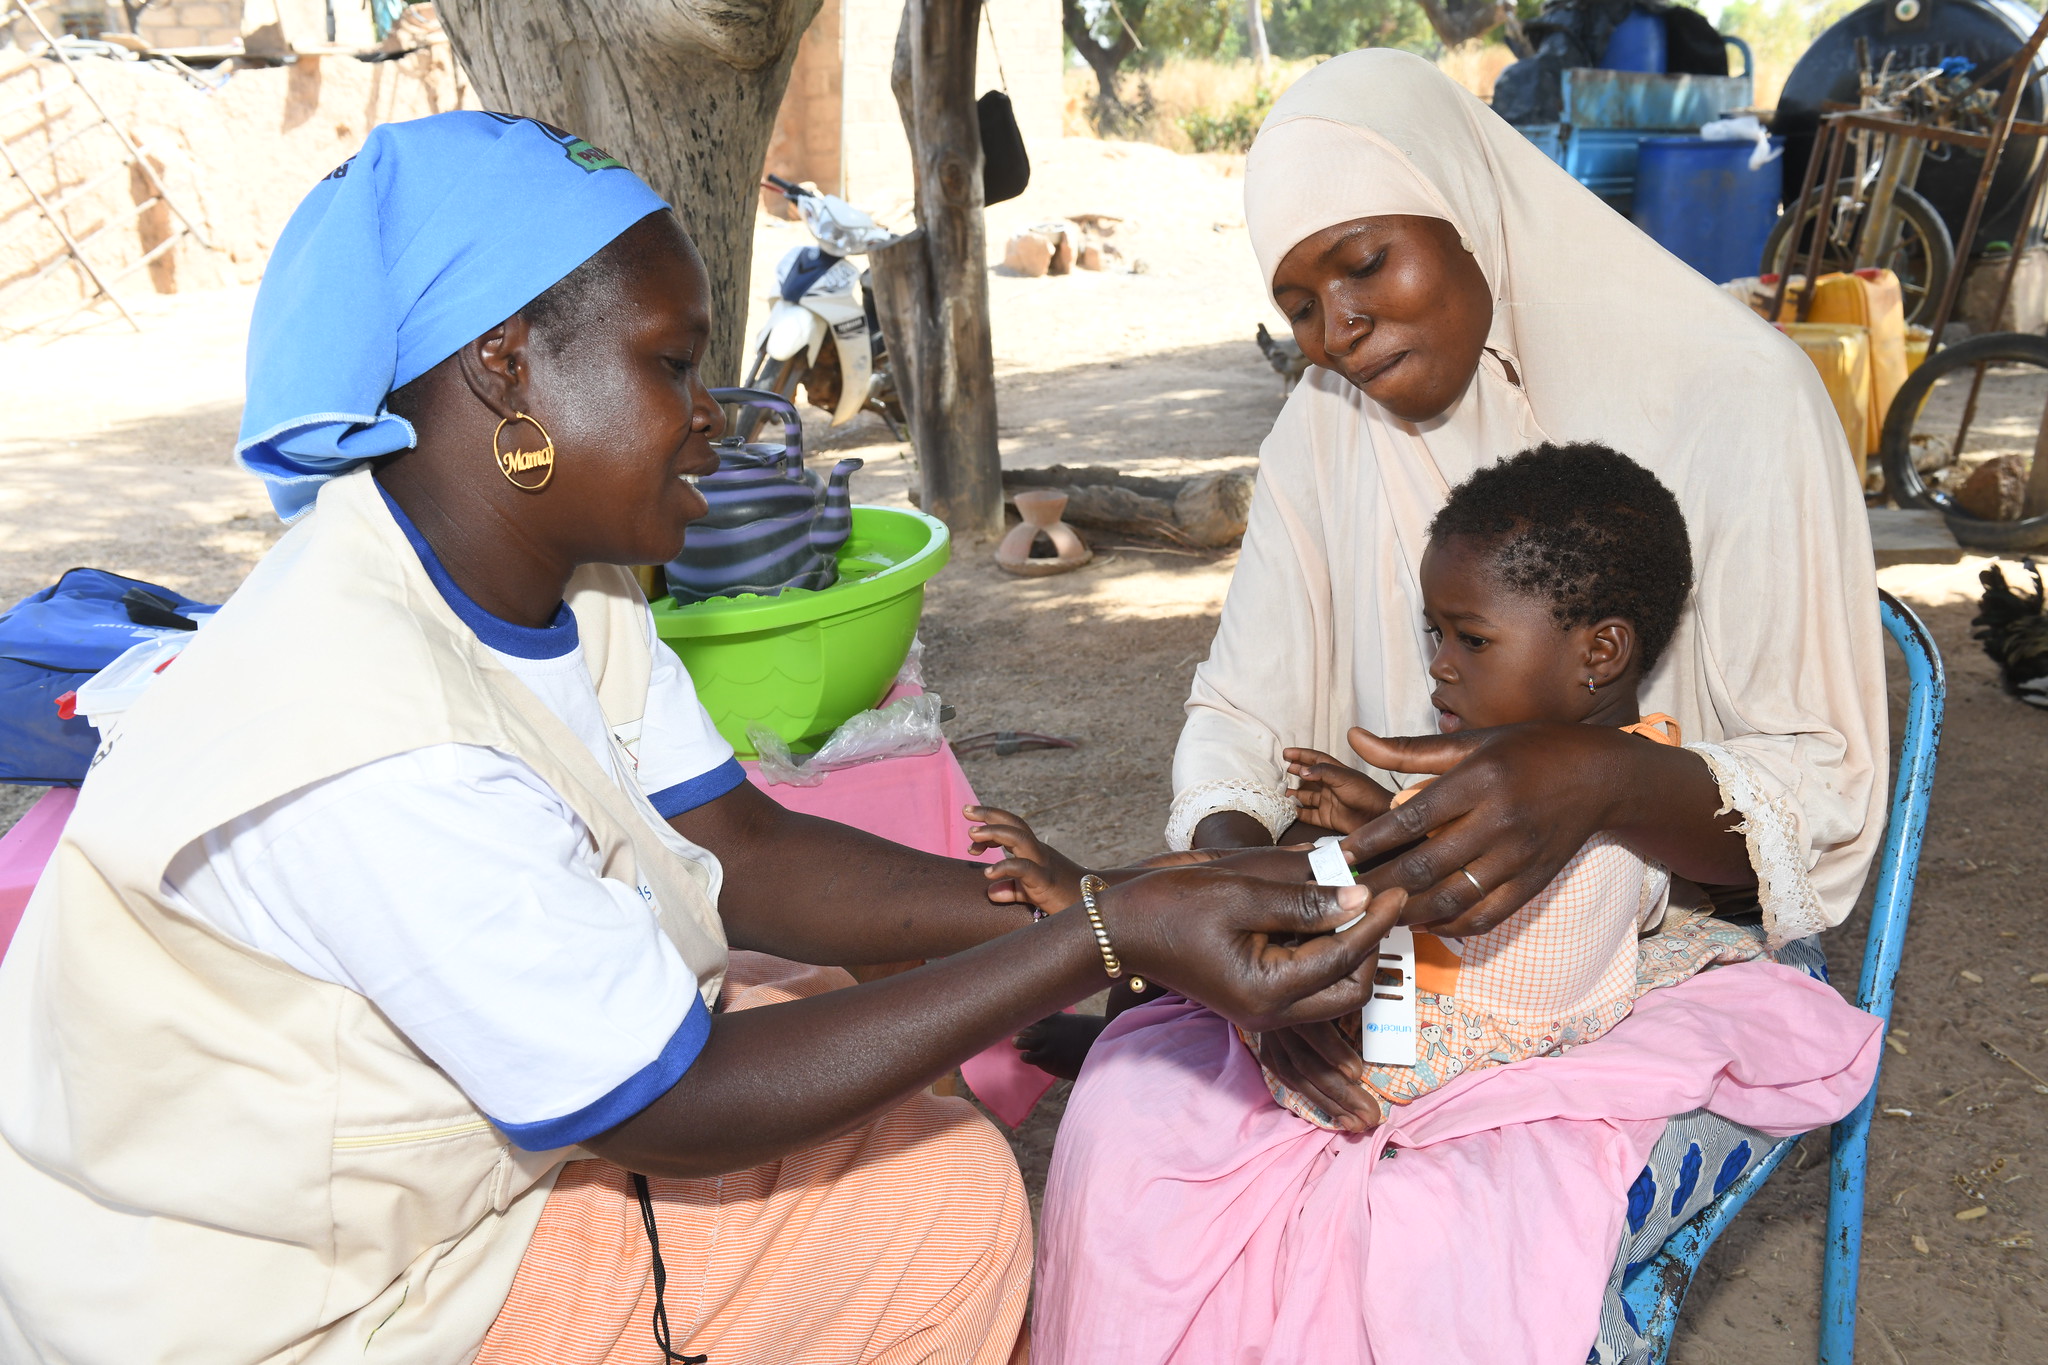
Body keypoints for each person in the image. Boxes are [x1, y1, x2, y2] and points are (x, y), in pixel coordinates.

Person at [0, 112, 1406, 1365]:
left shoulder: (560, 584)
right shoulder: (375, 741)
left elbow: (733, 845)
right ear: (507, 374)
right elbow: (672, 1100)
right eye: (673, 365)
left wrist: (1107, 901)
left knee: (861, 1064)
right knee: (937, 1210)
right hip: (278, 1310)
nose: (720, 421)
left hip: (380, 1204)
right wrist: (1106, 940)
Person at [1029, 51, 1889, 1365]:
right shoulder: (1327, 423)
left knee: (1436, 1241)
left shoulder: (1737, 400)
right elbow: (1245, 708)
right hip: (1373, 919)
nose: (1338, 330)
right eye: (1300, 302)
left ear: (1465, 200)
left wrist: (1593, 780)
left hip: (1640, 950)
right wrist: (1249, 930)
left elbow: (1817, 800)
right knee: (1138, 1126)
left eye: (1365, 262)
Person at [1261, 441, 1766, 1128]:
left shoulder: (1549, 799)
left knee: (1243, 937)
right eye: (1433, 633)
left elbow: (1397, 907)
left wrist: (1331, 855)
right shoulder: (1652, 763)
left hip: (1431, 1045)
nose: (1438, 665)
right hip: (1520, 1014)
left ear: (1601, 652)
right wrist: (1386, 812)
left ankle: (1118, 923)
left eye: (1471, 639)